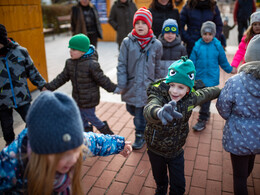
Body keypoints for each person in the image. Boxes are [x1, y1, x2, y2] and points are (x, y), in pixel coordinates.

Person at [0, 91, 132, 194]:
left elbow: (95, 141)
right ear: (42, 150)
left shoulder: (73, 144)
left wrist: (119, 144)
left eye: (76, 149)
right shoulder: (10, 166)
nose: (74, 159)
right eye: (63, 155)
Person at [143, 56, 221, 195]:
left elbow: (208, 93)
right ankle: (161, 188)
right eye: (172, 85)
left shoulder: (192, 98)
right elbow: (150, 107)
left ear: (188, 89)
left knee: (179, 185)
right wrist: (158, 112)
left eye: (180, 87)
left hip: (176, 150)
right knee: (159, 178)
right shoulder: (159, 95)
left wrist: (223, 90)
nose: (174, 91)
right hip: (155, 149)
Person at [43, 34, 117, 135]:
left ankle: (108, 133)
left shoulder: (92, 64)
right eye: (70, 48)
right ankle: (87, 135)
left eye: (74, 49)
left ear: (83, 51)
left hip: (89, 99)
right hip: (77, 98)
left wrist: (114, 88)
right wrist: (49, 87)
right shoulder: (70, 63)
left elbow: (102, 79)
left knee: (91, 117)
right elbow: (62, 77)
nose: (70, 51)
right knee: (82, 119)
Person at [216, 35, 260, 195]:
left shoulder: (235, 82)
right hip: (258, 137)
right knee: (251, 159)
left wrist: (232, 118)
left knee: (239, 177)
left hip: (238, 135)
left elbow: (223, 107)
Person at [116, 7, 163, 150]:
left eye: (144, 23)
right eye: (138, 23)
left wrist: (159, 85)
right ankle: (145, 125)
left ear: (149, 25)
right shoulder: (127, 42)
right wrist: (122, 83)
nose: (140, 25)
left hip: (147, 85)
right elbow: (122, 63)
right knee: (131, 108)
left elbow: (158, 66)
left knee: (139, 112)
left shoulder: (156, 44)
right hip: (131, 84)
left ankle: (140, 134)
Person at [0, 24, 46, 146]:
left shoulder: (20, 52)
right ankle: (10, 147)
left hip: (22, 96)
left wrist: (43, 85)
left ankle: (28, 143)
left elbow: (32, 71)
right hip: (2, 101)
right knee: (7, 128)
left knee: (32, 120)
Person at [190, 21, 236, 131]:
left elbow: (223, 61)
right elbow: (191, 62)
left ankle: (202, 119)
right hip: (199, 79)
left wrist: (230, 69)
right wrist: (189, 73)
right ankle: (205, 112)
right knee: (200, 99)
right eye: (205, 34)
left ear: (214, 34)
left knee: (206, 100)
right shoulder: (197, 46)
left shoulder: (217, 46)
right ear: (202, 34)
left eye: (210, 34)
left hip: (211, 79)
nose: (207, 37)